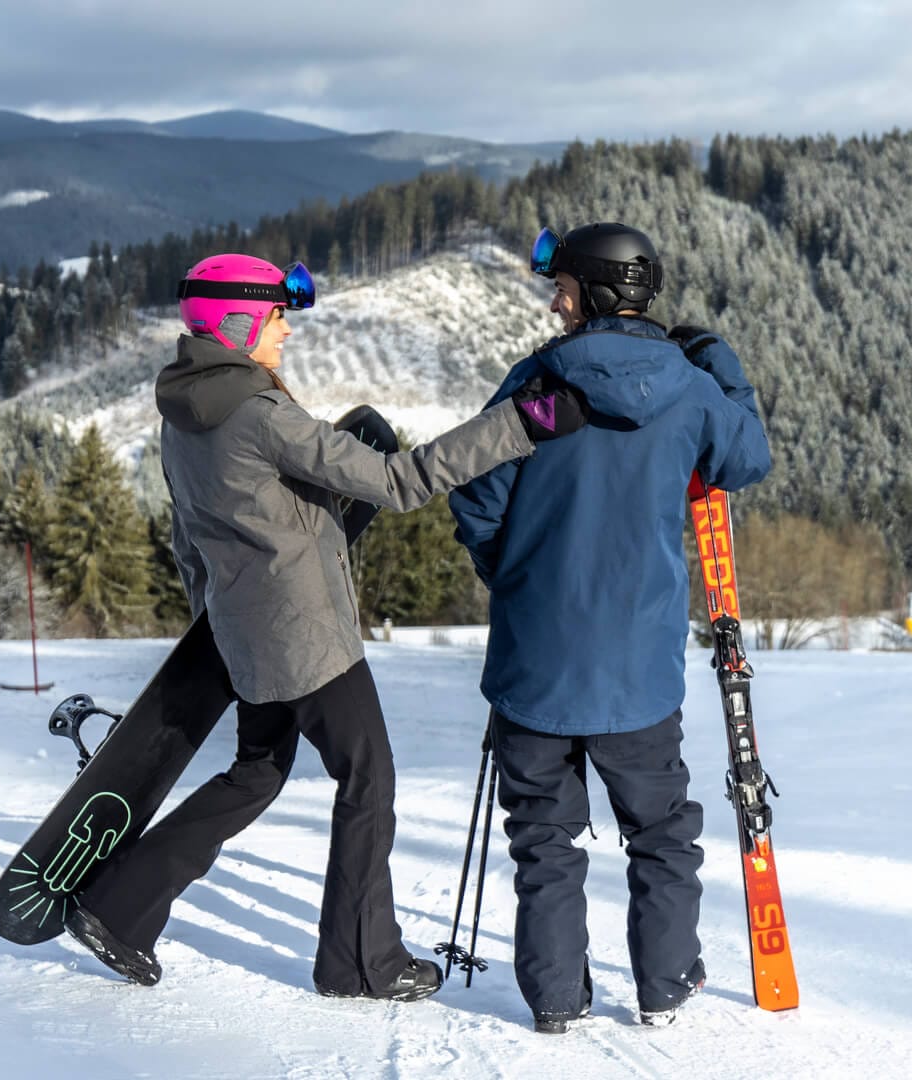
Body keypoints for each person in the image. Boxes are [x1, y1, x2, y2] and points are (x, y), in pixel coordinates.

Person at [67, 253, 589, 1002]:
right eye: (278, 318)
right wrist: (521, 422)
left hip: (248, 633)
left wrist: (216, 624)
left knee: (255, 775)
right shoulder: (260, 415)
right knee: (367, 780)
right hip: (308, 638)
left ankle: (115, 907)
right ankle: (360, 962)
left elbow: (190, 541)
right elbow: (398, 482)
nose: (285, 334)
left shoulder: (181, 414)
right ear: (242, 323)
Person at [448, 223, 772, 1032]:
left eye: (561, 288)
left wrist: (515, 580)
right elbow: (746, 459)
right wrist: (721, 361)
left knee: (544, 841)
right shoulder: (691, 389)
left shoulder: (538, 386)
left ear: (593, 292)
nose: (553, 303)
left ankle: (557, 998)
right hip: (640, 670)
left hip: (534, 667)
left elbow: (475, 499)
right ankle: (665, 985)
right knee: (661, 835)